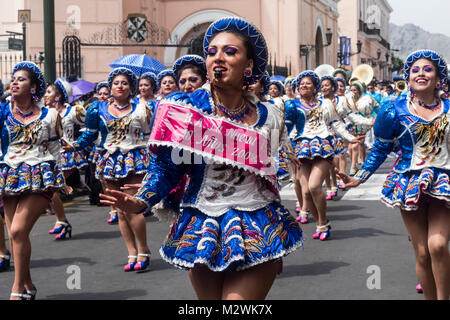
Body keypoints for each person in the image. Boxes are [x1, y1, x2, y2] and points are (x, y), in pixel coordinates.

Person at [100, 16, 303, 300]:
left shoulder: (272, 116)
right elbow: (165, 169)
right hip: (202, 223)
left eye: (230, 51)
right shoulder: (181, 109)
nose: (218, 58)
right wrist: (141, 200)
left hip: (258, 223)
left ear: (249, 65)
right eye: (212, 52)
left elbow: (269, 174)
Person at [336, 49, 450, 300]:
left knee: (438, 245)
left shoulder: (449, 109)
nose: (421, 73)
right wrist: (359, 177)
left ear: (438, 77)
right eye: (415, 70)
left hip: (444, 181)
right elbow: (380, 148)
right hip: (409, 181)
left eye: (428, 69)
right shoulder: (393, 110)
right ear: (408, 78)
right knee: (421, 251)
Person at [63, 67, 152, 272]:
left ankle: (144, 250)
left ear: (131, 88)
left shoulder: (143, 107)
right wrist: (75, 145)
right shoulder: (97, 109)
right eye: (116, 83)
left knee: (133, 206)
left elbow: (151, 134)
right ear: (110, 88)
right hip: (110, 159)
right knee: (120, 210)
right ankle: (131, 252)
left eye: (124, 83)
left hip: (135, 159)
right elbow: (90, 134)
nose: (120, 86)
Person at [1, 61, 65, 299]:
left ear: (33, 86)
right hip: (9, 175)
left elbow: (56, 148)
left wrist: (59, 179)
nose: (15, 82)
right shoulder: (3, 112)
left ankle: (17, 287)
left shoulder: (50, 115)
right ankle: (28, 284)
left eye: (21, 79)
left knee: (17, 230)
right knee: (18, 234)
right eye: (13, 78)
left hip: (41, 175)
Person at [285, 70, 363, 238]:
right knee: (306, 192)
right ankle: (322, 223)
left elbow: (336, 124)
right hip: (302, 148)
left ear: (315, 87)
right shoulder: (293, 105)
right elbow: (287, 128)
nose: (304, 85)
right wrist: (286, 148)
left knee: (314, 186)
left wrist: (351, 138)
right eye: (301, 84)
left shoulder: (325, 104)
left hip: (323, 147)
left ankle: (322, 221)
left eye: (308, 83)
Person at [44, 78, 84, 240]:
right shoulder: (46, 113)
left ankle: (62, 221)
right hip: (52, 156)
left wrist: (78, 143)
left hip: (67, 156)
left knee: (53, 189)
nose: (45, 95)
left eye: (49, 92)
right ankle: (62, 221)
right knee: (52, 190)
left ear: (58, 96)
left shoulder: (71, 111)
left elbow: (88, 123)